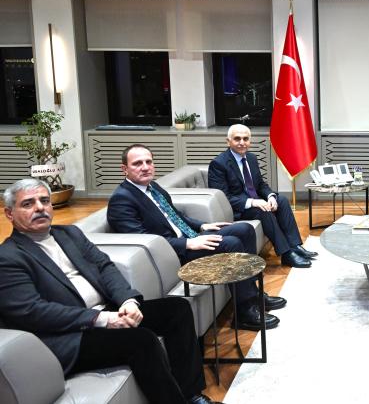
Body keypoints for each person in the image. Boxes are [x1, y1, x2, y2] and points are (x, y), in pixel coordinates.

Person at [0, 178, 219, 404]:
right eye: (28, 204)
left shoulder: (69, 234)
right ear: (9, 213)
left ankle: (191, 395)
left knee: (177, 308)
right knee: (141, 340)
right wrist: (101, 319)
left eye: (44, 201)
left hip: (106, 311)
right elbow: (31, 312)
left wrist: (127, 301)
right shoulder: (8, 257)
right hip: (71, 334)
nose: (39, 208)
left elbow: (104, 266)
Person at [107, 144, 284, 331]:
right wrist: (188, 243)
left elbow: (174, 215)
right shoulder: (122, 199)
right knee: (231, 243)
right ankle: (245, 312)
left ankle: (254, 295)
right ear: (124, 169)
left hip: (189, 237)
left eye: (148, 162)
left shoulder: (152, 187)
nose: (145, 167)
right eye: (137, 163)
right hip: (172, 253)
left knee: (244, 229)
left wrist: (201, 225)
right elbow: (143, 240)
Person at [208, 124, 316, 268]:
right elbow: (223, 198)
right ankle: (286, 254)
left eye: (246, 139)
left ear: (250, 141)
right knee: (262, 210)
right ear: (228, 141)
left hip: (255, 202)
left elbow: (260, 185)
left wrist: (270, 196)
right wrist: (253, 202)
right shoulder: (218, 164)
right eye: (237, 139)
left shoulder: (251, 158)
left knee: (281, 200)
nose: (242, 142)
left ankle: (295, 246)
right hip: (237, 209)